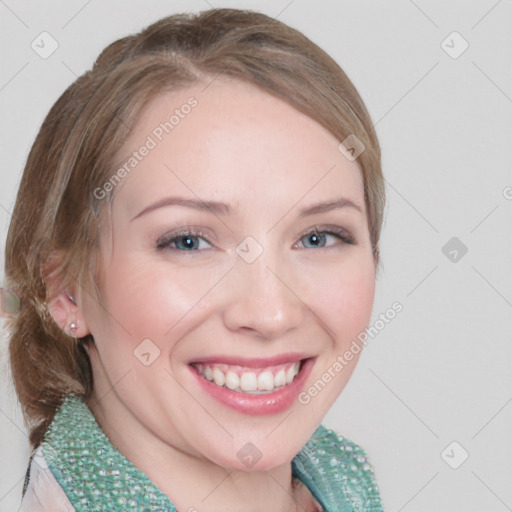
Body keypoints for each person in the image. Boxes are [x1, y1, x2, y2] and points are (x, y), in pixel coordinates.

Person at [3, 7, 385, 512]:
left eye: (318, 238)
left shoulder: (342, 484)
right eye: (188, 242)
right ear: (67, 290)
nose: (271, 313)